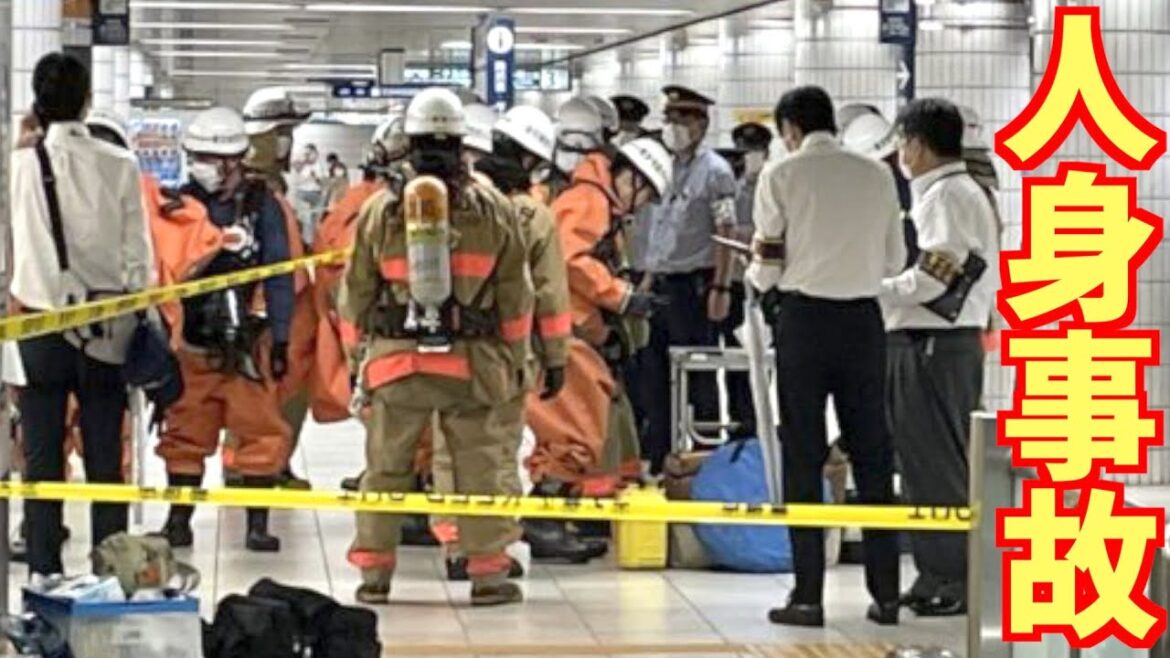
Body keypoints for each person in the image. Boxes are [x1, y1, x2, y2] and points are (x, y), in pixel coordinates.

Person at [340, 88, 533, 607]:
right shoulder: (493, 208)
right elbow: (516, 295)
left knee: (384, 469)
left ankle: (374, 578)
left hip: (395, 365)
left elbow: (355, 294)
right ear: (462, 145)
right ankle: (489, 576)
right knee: (480, 471)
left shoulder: (382, 210)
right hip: (473, 366)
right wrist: (520, 362)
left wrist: (357, 362)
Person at [747, 85, 905, 628]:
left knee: (804, 454)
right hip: (864, 323)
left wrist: (761, 283)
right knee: (873, 455)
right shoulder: (877, 174)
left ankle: (808, 595)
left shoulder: (782, 175)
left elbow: (767, 257)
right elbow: (895, 257)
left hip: (805, 323)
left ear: (791, 129)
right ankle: (886, 596)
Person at [7, 53, 154, 577]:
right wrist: (140, 312)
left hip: (38, 329)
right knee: (104, 460)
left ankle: (44, 571)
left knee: (41, 461)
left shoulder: (19, 164)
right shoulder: (120, 165)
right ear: (88, 101)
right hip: (106, 330)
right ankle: (108, 573)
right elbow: (140, 260)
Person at [154, 106, 294, 553]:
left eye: (213, 158)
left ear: (237, 161)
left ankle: (257, 524)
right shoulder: (177, 205)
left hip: (247, 346)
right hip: (191, 341)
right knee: (183, 433)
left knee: (260, 432)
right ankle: (178, 519)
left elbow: (280, 271)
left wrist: (282, 336)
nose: (205, 166)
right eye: (198, 156)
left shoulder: (261, 206)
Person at [526, 134, 674, 556]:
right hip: (566, 331)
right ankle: (542, 520)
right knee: (572, 429)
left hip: (576, 330)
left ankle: (562, 516)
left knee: (587, 426)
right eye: (644, 195)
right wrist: (621, 297)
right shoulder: (589, 198)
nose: (642, 206)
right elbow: (570, 258)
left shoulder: (594, 201)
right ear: (630, 177)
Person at [881, 98, 1000, 617]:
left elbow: (935, 276)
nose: (901, 154)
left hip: (935, 344)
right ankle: (937, 571)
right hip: (940, 344)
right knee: (926, 462)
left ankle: (953, 577)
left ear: (919, 145)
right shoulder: (953, 190)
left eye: (903, 142)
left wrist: (874, 289)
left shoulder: (946, 195)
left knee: (937, 464)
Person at [640, 85, 738, 473]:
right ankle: (660, 455)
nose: (673, 127)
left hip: (694, 287)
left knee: (698, 373)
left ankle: (704, 457)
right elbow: (657, 230)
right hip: (659, 285)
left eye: (682, 119)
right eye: (669, 119)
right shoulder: (661, 167)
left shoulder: (716, 172)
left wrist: (721, 286)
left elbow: (726, 231)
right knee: (655, 373)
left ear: (701, 124)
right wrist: (647, 276)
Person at [239, 87, 315, 491]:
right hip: (265, 312)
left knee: (285, 393)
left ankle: (273, 463)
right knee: (259, 393)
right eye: (283, 131)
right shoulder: (252, 193)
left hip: (290, 312)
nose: (288, 142)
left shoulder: (276, 190)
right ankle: (254, 466)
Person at [719, 122, 773, 440]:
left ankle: (760, 421)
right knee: (733, 357)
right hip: (735, 281)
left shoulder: (774, 184)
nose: (749, 159)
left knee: (762, 357)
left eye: (754, 152)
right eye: (744, 152)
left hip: (765, 284)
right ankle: (740, 422)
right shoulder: (731, 188)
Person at [292, 143, 326, 242]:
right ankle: (306, 242)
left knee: (316, 221)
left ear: (316, 154)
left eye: (310, 153)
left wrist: (315, 176)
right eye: (306, 153)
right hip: (303, 193)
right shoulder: (301, 164)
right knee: (306, 220)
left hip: (316, 193)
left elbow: (323, 182)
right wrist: (303, 160)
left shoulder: (320, 165)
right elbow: (295, 167)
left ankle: (315, 242)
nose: (308, 155)